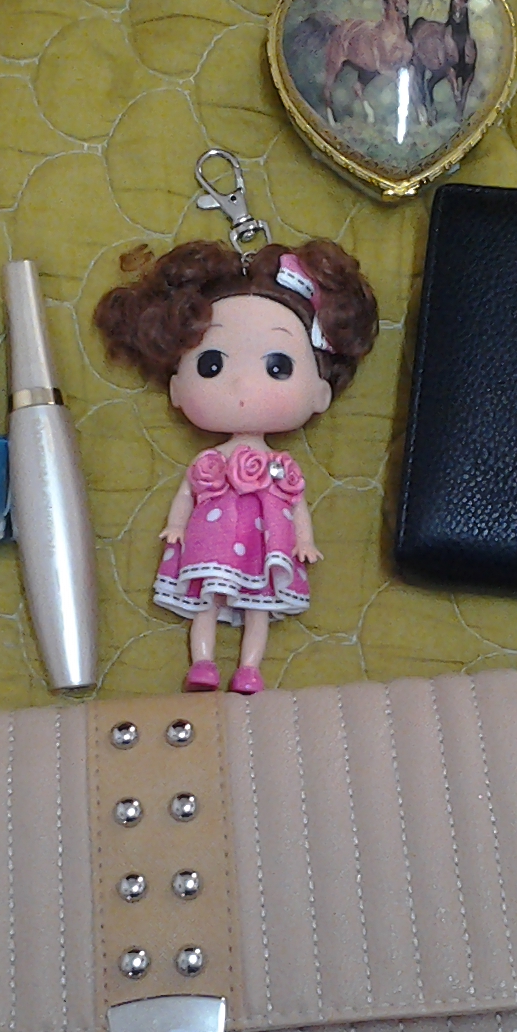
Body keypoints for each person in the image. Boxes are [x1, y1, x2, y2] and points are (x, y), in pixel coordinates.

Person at [94, 237, 378, 693]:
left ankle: (249, 669)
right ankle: (203, 664)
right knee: (206, 601)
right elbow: (187, 493)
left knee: (257, 608)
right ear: (176, 389)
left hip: (267, 548)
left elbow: (296, 504)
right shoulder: (209, 461)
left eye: (278, 366)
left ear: (321, 393)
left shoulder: (281, 466)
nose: (243, 384)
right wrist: (176, 526)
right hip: (211, 543)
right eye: (211, 365)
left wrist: (304, 540)